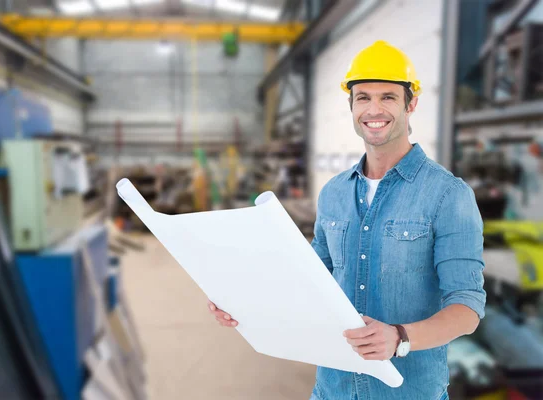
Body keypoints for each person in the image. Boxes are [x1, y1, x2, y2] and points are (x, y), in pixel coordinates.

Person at [207, 40, 486, 400]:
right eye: (363, 97)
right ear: (351, 105)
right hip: (333, 389)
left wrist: (400, 337)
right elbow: (308, 281)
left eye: (388, 97)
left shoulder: (448, 195)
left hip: (407, 393)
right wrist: (243, 303)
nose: (374, 108)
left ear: (411, 104)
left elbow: (467, 307)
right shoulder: (334, 193)